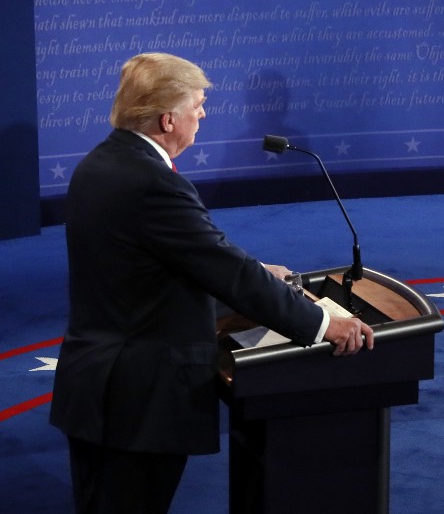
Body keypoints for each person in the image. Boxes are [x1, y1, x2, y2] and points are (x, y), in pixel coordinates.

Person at [49, 52, 375, 513]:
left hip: (98, 382)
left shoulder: (99, 163)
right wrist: (323, 323)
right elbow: (225, 270)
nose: (202, 114)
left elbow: (169, 256)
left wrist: (258, 271)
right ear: (167, 119)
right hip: (139, 398)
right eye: (197, 105)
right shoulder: (153, 183)